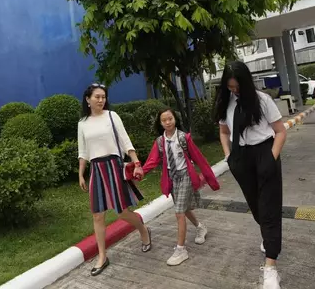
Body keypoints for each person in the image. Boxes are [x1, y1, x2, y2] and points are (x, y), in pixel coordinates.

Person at [214, 61, 287, 289]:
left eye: (237, 86)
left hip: (264, 152)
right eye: (230, 87)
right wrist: (228, 156)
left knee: (269, 209)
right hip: (240, 158)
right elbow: (224, 131)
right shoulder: (226, 102)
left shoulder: (261, 100)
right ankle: (268, 237)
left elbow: (281, 131)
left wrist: (271, 158)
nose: (234, 90)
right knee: (256, 208)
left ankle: (270, 268)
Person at [77, 83, 151, 276]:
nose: (101, 100)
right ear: (88, 99)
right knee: (97, 214)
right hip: (96, 169)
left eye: (103, 97)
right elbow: (83, 151)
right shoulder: (82, 123)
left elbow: (125, 141)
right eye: (97, 97)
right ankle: (102, 256)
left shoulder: (112, 116)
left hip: (113, 166)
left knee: (122, 212)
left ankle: (143, 229)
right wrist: (81, 173)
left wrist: (136, 163)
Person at [142, 108, 220, 266]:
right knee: (183, 209)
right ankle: (200, 227)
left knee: (178, 213)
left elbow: (199, 158)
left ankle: (181, 249)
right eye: (164, 120)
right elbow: (152, 161)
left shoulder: (184, 138)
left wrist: (211, 180)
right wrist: (139, 173)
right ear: (160, 123)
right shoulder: (160, 142)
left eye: (170, 118)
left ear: (175, 119)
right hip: (172, 179)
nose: (168, 122)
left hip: (185, 176)